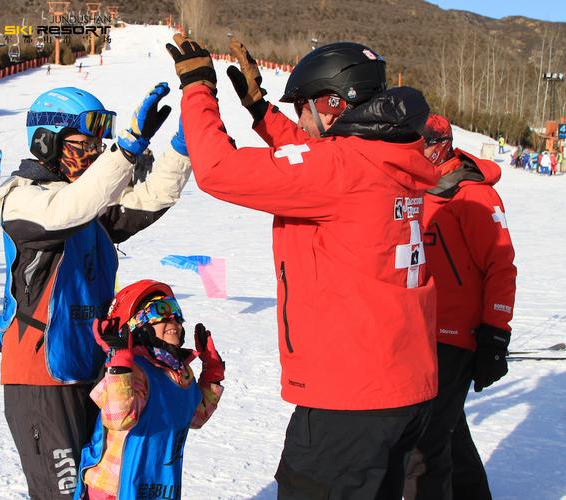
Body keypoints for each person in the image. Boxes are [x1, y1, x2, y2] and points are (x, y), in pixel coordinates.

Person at [167, 35, 440, 499]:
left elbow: (218, 169)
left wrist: (197, 88)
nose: (301, 120)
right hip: (404, 390)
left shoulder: (340, 170)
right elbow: (321, 155)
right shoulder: (393, 155)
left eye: (303, 108)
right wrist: (261, 113)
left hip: (349, 400)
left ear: (332, 104)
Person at [0, 83, 192, 499]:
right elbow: (70, 209)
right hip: (42, 378)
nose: (95, 153)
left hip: (92, 371)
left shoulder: (89, 207)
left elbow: (150, 199)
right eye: (85, 144)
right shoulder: (21, 200)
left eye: (100, 145)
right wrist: (128, 148)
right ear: (47, 142)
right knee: (60, 494)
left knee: (99, 486)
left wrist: (182, 148)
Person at [404, 114, 517, 500]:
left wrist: (495, 333)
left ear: (442, 146)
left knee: (424, 441)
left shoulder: (472, 194)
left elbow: (501, 267)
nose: (415, 155)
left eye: (423, 147)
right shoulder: (413, 189)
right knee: (447, 433)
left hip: (454, 336)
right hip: (419, 329)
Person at [74, 280, 224, 499]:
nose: (173, 319)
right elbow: (119, 418)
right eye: (160, 312)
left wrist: (213, 372)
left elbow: (196, 417)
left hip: (156, 484)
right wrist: (120, 364)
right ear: (138, 324)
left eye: (176, 313)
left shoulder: (180, 374)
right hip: (112, 488)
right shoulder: (133, 370)